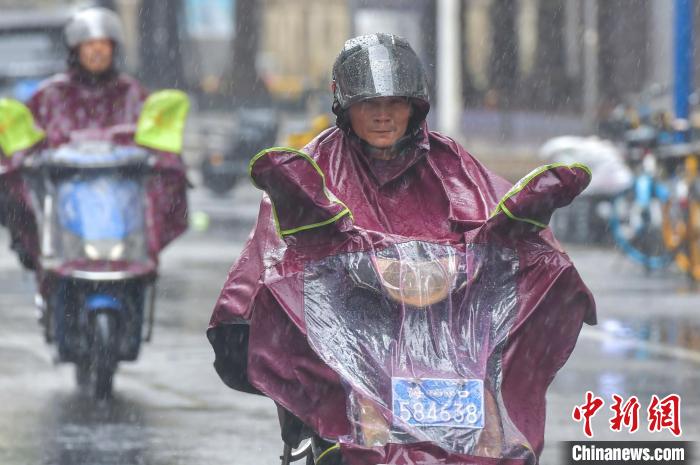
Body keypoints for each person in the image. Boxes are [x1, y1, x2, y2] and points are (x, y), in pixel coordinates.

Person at [208, 33, 595, 464]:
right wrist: (250, 309)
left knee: (497, 437)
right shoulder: (314, 169)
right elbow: (273, 253)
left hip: (451, 345)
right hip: (348, 344)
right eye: (370, 104)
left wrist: (519, 246)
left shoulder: (454, 166)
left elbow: (498, 223)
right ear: (344, 106)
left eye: (395, 103)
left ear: (415, 106)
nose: (383, 116)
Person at [0, 6, 188, 269]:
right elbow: (25, 145)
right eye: (89, 45)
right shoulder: (50, 96)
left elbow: (157, 147)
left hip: (122, 207)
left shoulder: (133, 94)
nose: (96, 51)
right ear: (75, 50)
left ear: (114, 49)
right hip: (65, 207)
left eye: (103, 44)